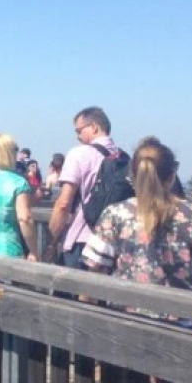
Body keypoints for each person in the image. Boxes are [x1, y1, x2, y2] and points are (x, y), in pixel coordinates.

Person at [82, 137, 192, 301]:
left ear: (132, 175)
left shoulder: (115, 215)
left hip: (125, 313)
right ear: (172, 176)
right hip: (185, 316)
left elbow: (93, 277)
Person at [48, 106, 123, 267]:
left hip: (82, 238)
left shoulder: (79, 153)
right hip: (114, 241)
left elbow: (64, 203)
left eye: (79, 130)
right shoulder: (124, 158)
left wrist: (51, 239)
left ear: (94, 127)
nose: (77, 136)